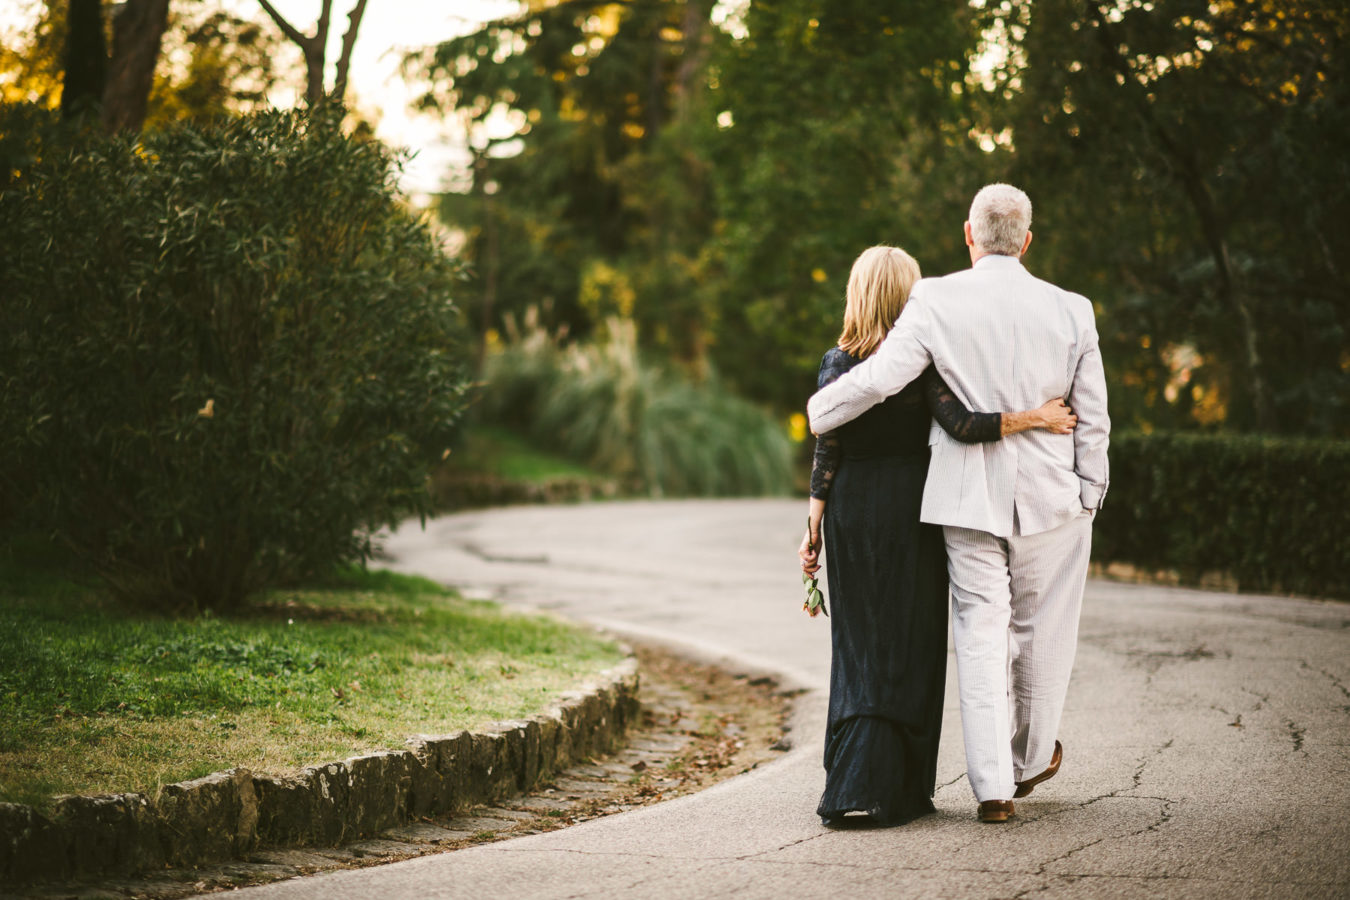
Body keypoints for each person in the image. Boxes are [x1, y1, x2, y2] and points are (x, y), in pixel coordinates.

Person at [807, 185, 1110, 824]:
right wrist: (1090, 493)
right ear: (1027, 240)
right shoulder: (1073, 310)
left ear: (969, 235)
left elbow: (880, 379)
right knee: (1043, 631)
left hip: (967, 499)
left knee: (979, 631)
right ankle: (1028, 760)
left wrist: (821, 409)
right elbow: (1094, 416)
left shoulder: (935, 300)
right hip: (1053, 499)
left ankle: (993, 788)